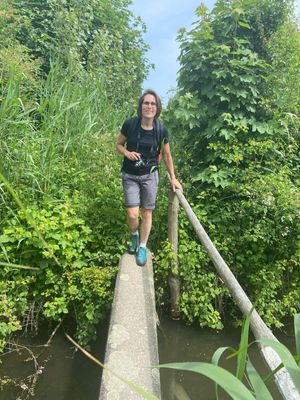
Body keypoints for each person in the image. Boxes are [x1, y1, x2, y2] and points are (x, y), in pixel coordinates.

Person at [116, 89, 182, 266]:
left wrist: (173, 178)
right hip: (130, 175)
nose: (149, 106)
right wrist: (127, 153)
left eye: (153, 104)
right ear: (141, 105)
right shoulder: (130, 124)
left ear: (157, 107)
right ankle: (134, 235)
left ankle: (143, 247)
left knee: (147, 212)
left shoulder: (161, 129)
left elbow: (167, 155)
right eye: (146, 103)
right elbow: (118, 144)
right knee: (132, 214)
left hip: (150, 176)